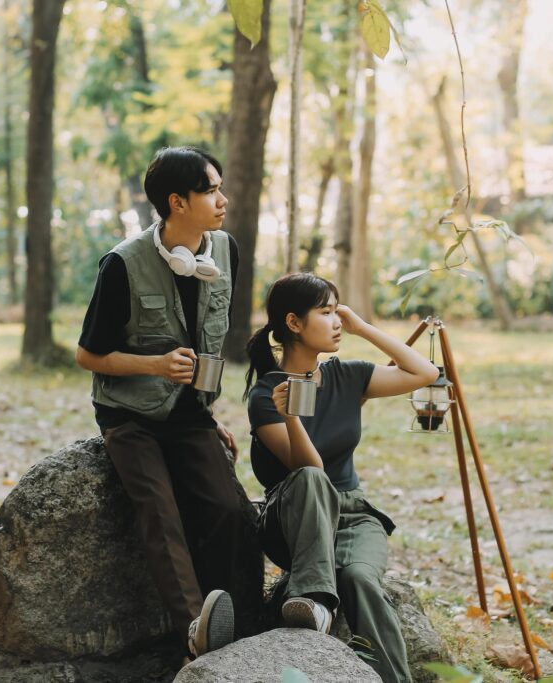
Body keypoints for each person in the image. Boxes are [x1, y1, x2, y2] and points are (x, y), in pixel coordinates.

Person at [75, 146, 244, 660]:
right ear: (177, 202)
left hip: (191, 415)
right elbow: (88, 355)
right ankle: (196, 632)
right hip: (130, 417)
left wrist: (209, 416)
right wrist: (153, 365)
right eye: (211, 190)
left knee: (231, 509)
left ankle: (238, 621)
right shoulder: (122, 265)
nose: (223, 199)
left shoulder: (226, 251)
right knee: (159, 511)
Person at [245, 273, 439, 683]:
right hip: (295, 517)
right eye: (326, 313)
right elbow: (309, 468)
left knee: (360, 578)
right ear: (294, 323)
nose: (337, 322)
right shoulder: (267, 395)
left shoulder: (348, 376)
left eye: (337, 312)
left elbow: (424, 372)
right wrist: (291, 418)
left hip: (353, 514)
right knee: (314, 480)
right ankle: (313, 598)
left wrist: (362, 327)